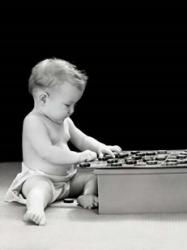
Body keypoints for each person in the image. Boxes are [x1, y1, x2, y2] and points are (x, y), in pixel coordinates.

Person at [5, 58, 121, 225]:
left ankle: (86, 195)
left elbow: (82, 139)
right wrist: (78, 157)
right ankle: (35, 209)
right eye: (68, 105)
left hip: (67, 181)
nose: (72, 111)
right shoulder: (33, 122)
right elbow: (48, 152)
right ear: (43, 99)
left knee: (93, 177)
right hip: (41, 178)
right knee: (39, 190)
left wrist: (102, 147)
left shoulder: (64, 121)